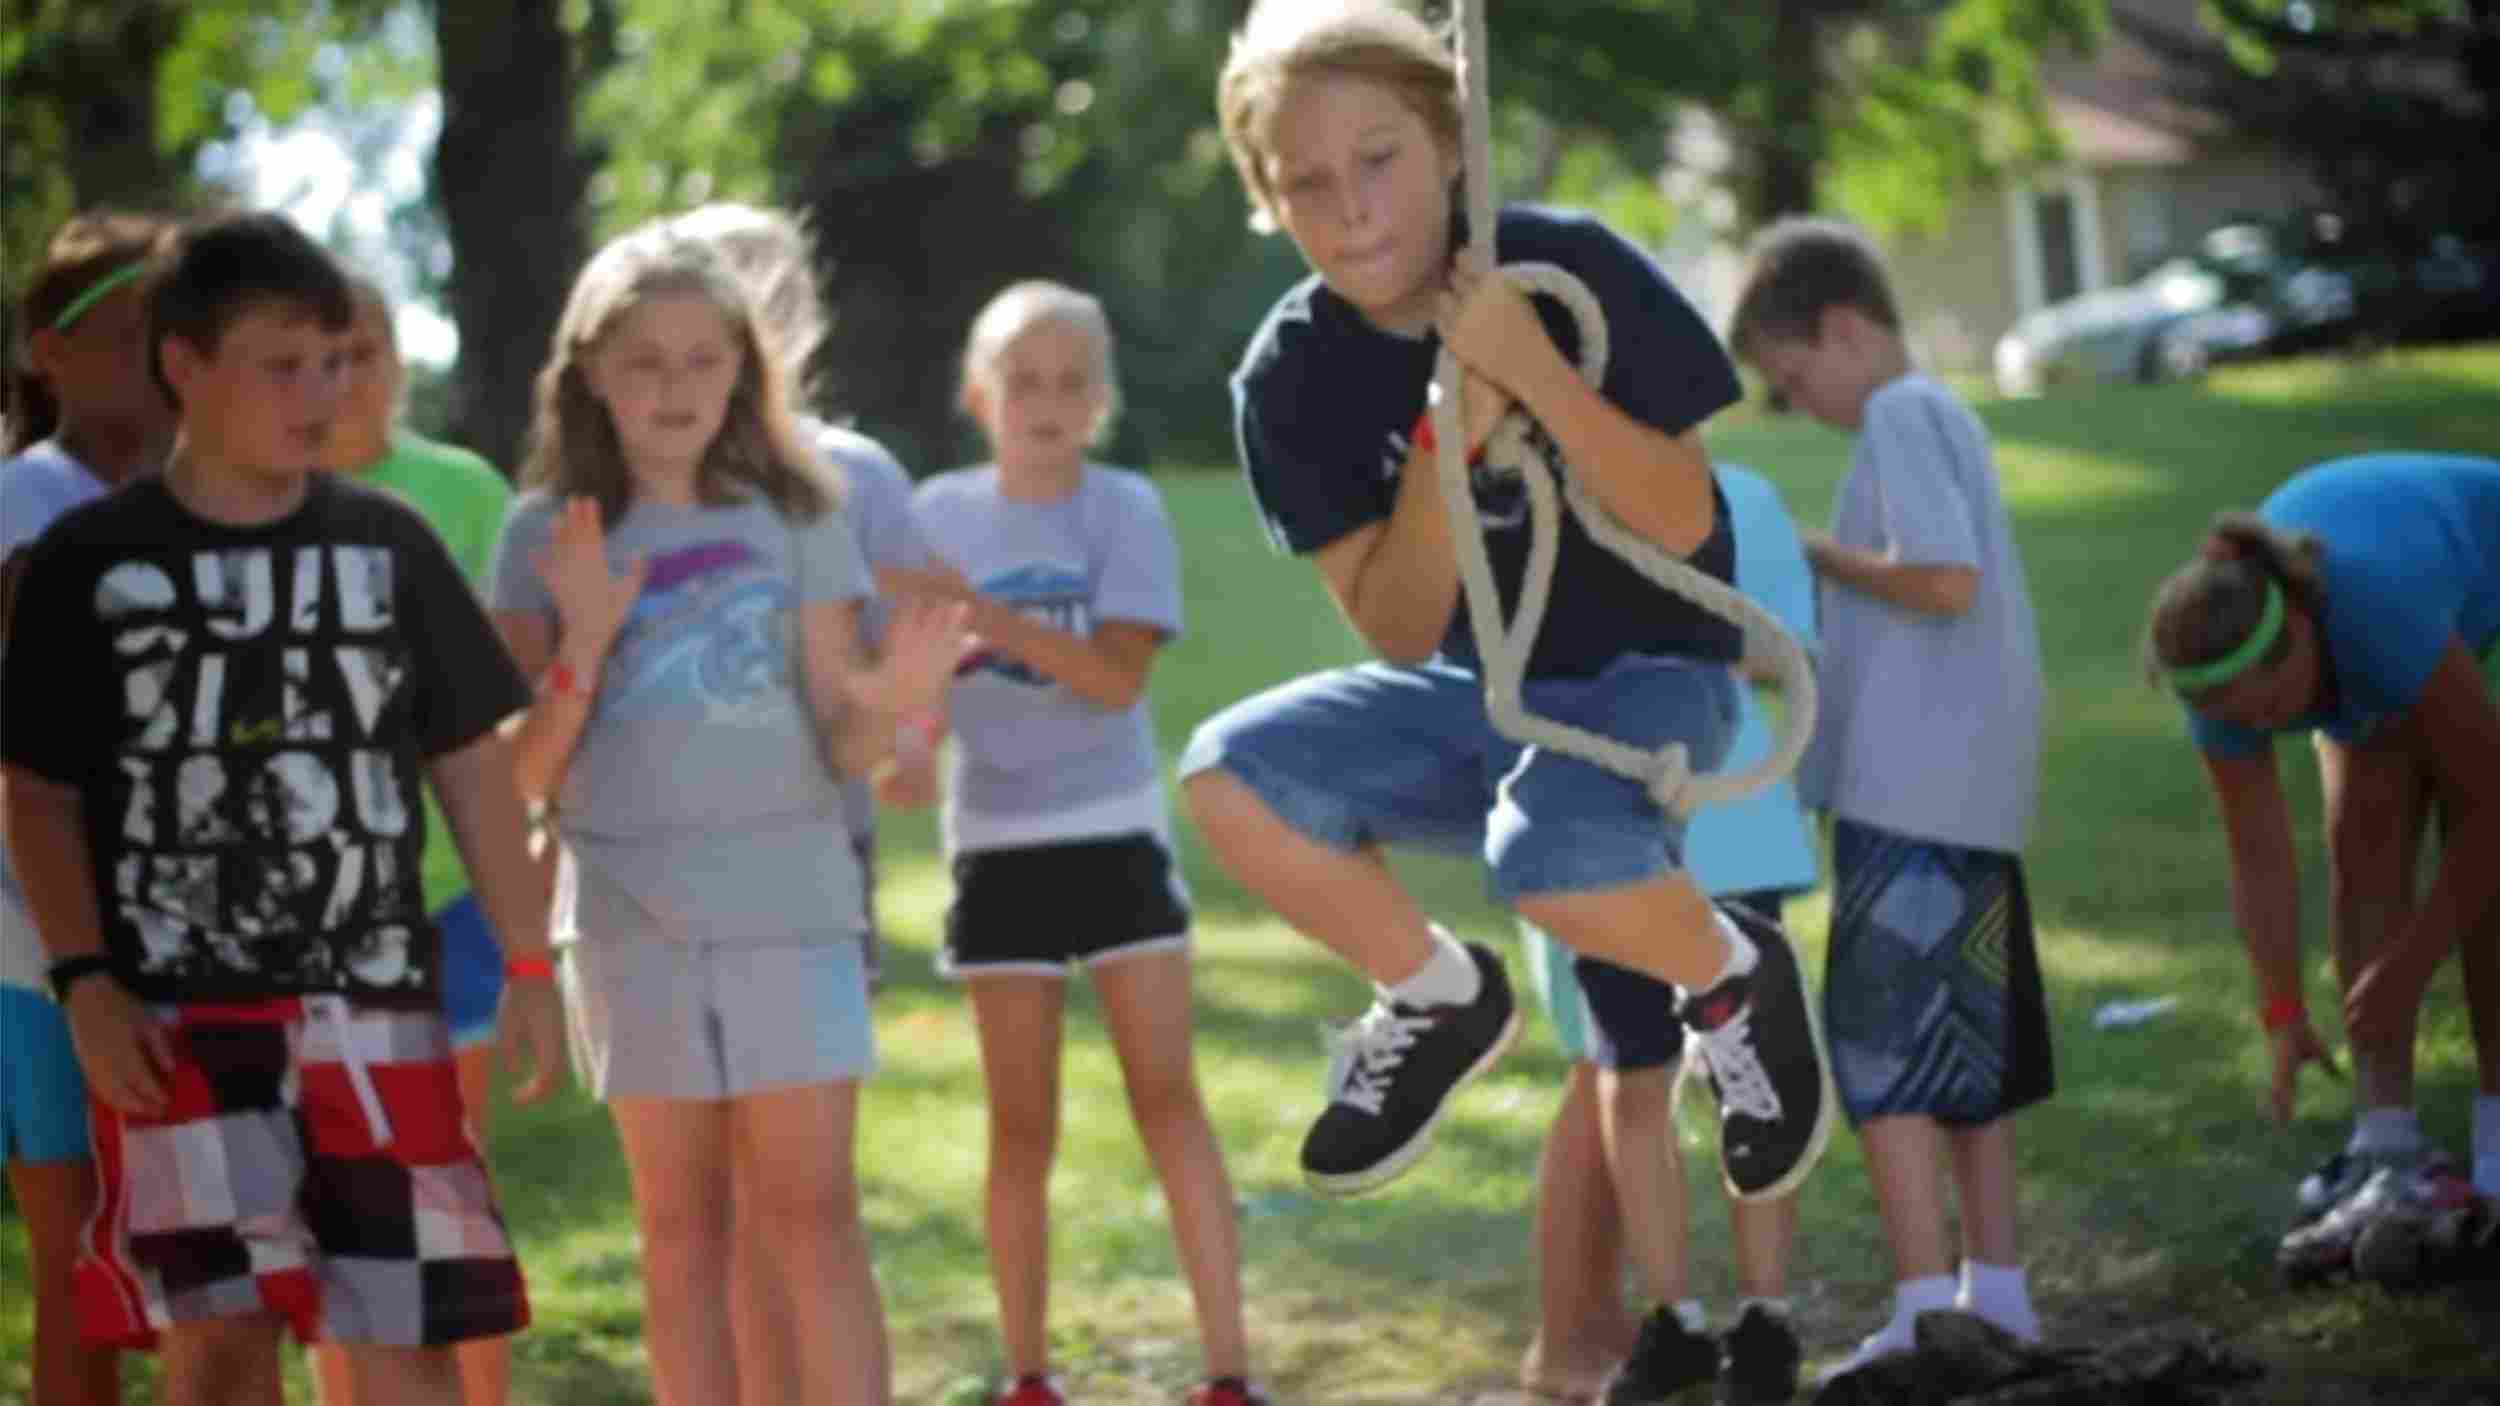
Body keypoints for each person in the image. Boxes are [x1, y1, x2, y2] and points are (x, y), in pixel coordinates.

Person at [0, 209, 563, 1406]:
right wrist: (85, 982)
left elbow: (471, 767)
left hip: (375, 1003)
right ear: (184, 364)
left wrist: (528, 964)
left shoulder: (393, 545)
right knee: (216, 1344)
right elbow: (36, 793)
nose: (322, 390)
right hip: (174, 1019)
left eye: (340, 358)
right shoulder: (87, 562)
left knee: (407, 1329)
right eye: (283, 362)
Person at [487, 225, 962, 1406]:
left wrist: (896, 706)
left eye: (704, 360)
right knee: (680, 1229)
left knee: (815, 1217)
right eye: (644, 361)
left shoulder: (801, 513)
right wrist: (586, 638)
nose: (675, 388)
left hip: (791, 904)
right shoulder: (542, 535)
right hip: (628, 916)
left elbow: (843, 736)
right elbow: (517, 777)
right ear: (590, 369)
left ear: (745, 370)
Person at [877, 279, 1261, 1406]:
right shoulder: (935, 515)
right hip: (994, 849)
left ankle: (1229, 1370)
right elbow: (917, 677)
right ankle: (1028, 1374)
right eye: (1021, 380)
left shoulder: (1123, 507)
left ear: (1101, 400)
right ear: (977, 393)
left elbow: (1113, 677)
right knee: (1020, 1124)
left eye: (1070, 382)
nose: (1045, 402)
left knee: (1166, 1096)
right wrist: (908, 740)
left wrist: (983, 617)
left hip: (1112, 831)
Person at [1728, 216, 2053, 1382]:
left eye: (1795, 372)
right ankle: (1997, 1293)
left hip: (1909, 798)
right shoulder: (1942, 419)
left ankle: (1922, 1302)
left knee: (1884, 1057)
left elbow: (1942, 577)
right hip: (1966, 798)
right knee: (1971, 1061)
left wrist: (1815, 552)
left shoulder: (1903, 416)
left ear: (1848, 328)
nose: (1798, 399)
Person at [1521, 462, 1818, 1404]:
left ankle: (1766, 1321)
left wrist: (1673, 635)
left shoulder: (1744, 495)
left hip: (1732, 830)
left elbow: (1789, 656)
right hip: (1606, 839)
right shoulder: (1544, 507)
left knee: (1753, 1077)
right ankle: (1675, 1319)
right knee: (1632, 1073)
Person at [2140, 452, 2500, 1214]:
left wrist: (2413, 962)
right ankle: (2388, 1142)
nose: (2259, 729)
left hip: (2482, 591)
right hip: (2377, 627)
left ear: (2300, 634)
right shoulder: (2221, 676)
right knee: (2361, 844)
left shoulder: (2375, 613)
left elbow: (2491, 811)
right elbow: (2258, 853)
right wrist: (2283, 1012)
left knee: (2484, 889)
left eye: (2270, 707)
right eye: (2236, 719)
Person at [304, 275, 520, 1406]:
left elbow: (499, 694)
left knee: (453, 1186)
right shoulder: (265, 498)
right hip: (312, 915)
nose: (356, 375)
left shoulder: (462, 489)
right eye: (328, 354)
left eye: (374, 347)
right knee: (335, 1199)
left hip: (450, 892)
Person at [667, 200, 938, 990]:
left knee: (813, 1085)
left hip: (820, 828)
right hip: (664, 837)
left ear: (803, 319)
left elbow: (912, 630)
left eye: (774, 298)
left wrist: (914, 731)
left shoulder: (859, 473)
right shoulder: (637, 475)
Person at [0, 207, 176, 1406]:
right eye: (112, 333)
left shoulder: (214, 494)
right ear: (43, 352)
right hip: (35, 938)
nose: (147, 356)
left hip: (189, 927)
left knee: (211, 1258)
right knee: (81, 1251)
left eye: (169, 331)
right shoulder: (25, 500)